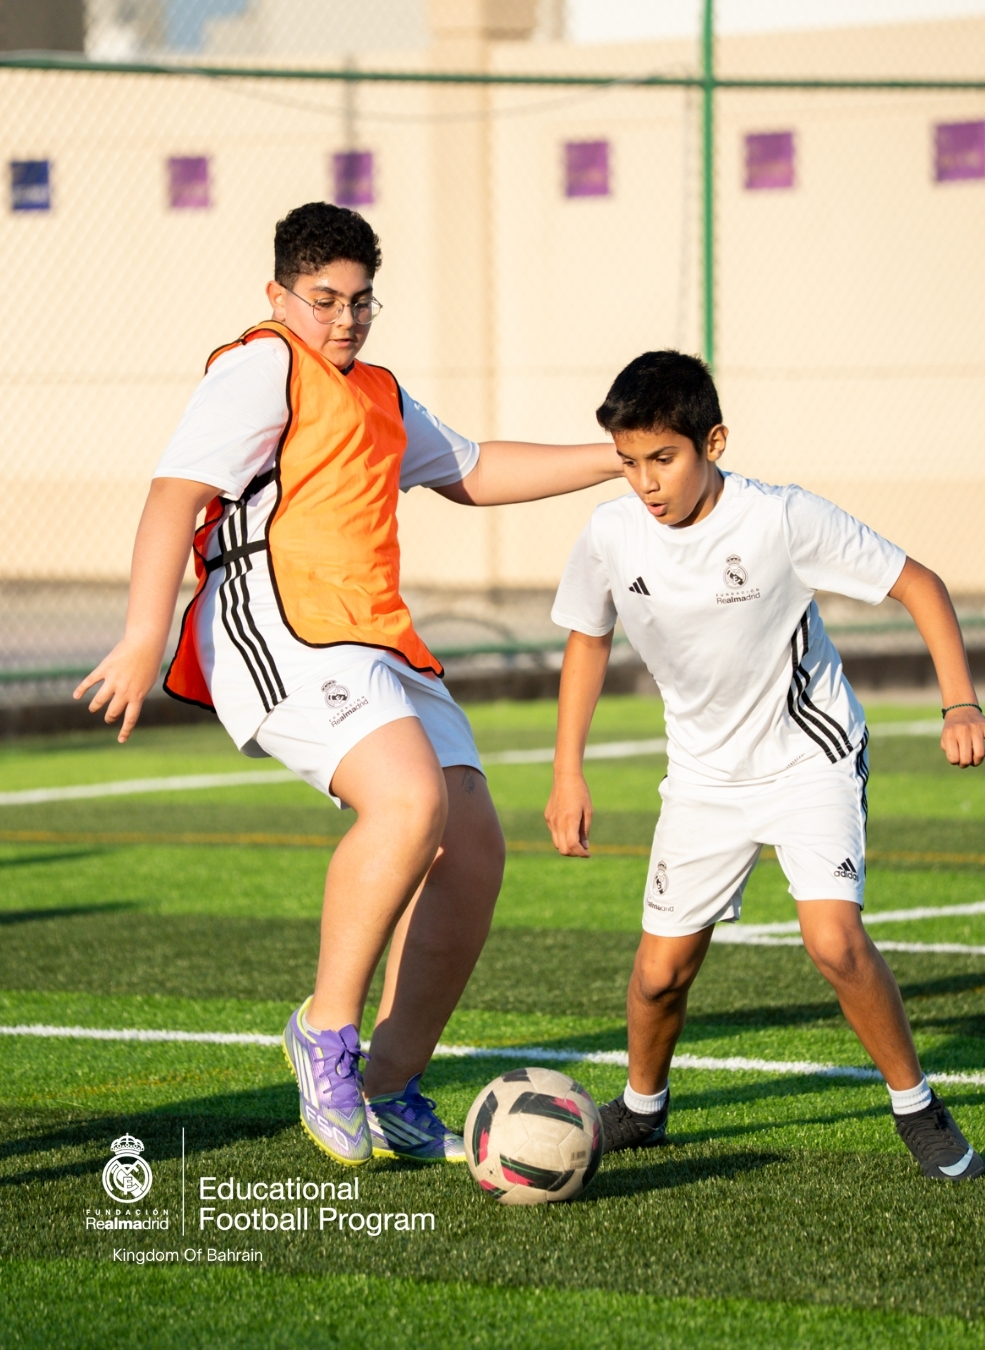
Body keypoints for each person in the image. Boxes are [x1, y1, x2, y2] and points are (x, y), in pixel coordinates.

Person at [75, 201, 620, 1168]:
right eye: (324, 300)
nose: (344, 320)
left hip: (372, 634)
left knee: (475, 845)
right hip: (277, 619)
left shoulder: (375, 390)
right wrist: (138, 636)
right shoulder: (260, 367)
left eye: (361, 302)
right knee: (406, 803)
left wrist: (622, 457)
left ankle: (389, 1083)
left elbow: (478, 471)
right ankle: (325, 1034)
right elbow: (173, 501)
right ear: (281, 295)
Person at [544, 349, 985, 1181]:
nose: (645, 482)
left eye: (664, 458)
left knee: (833, 941)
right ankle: (643, 1107)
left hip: (807, 757)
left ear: (712, 441)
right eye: (629, 461)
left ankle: (917, 1107)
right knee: (657, 976)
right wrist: (567, 770)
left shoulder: (781, 519)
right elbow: (587, 637)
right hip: (703, 777)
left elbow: (919, 585)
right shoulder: (609, 534)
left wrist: (959, 702)